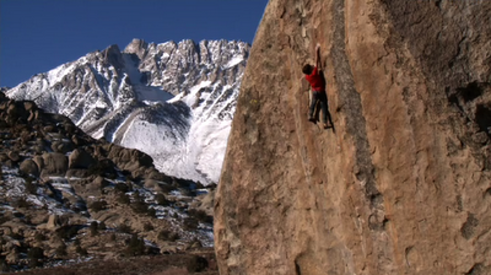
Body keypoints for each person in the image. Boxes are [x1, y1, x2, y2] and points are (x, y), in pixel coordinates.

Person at [302, 44, 330, 129]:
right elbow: (317, 61)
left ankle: (310, 114)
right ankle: (325, 122)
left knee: (313, 103)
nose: (312, 66)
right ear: (310, 69)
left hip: (314, 91)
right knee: (323, 105)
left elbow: (314, 65)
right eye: (311, 66)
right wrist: (316, 50)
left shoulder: (308, 77)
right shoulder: (314, 73)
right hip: (320, 90)